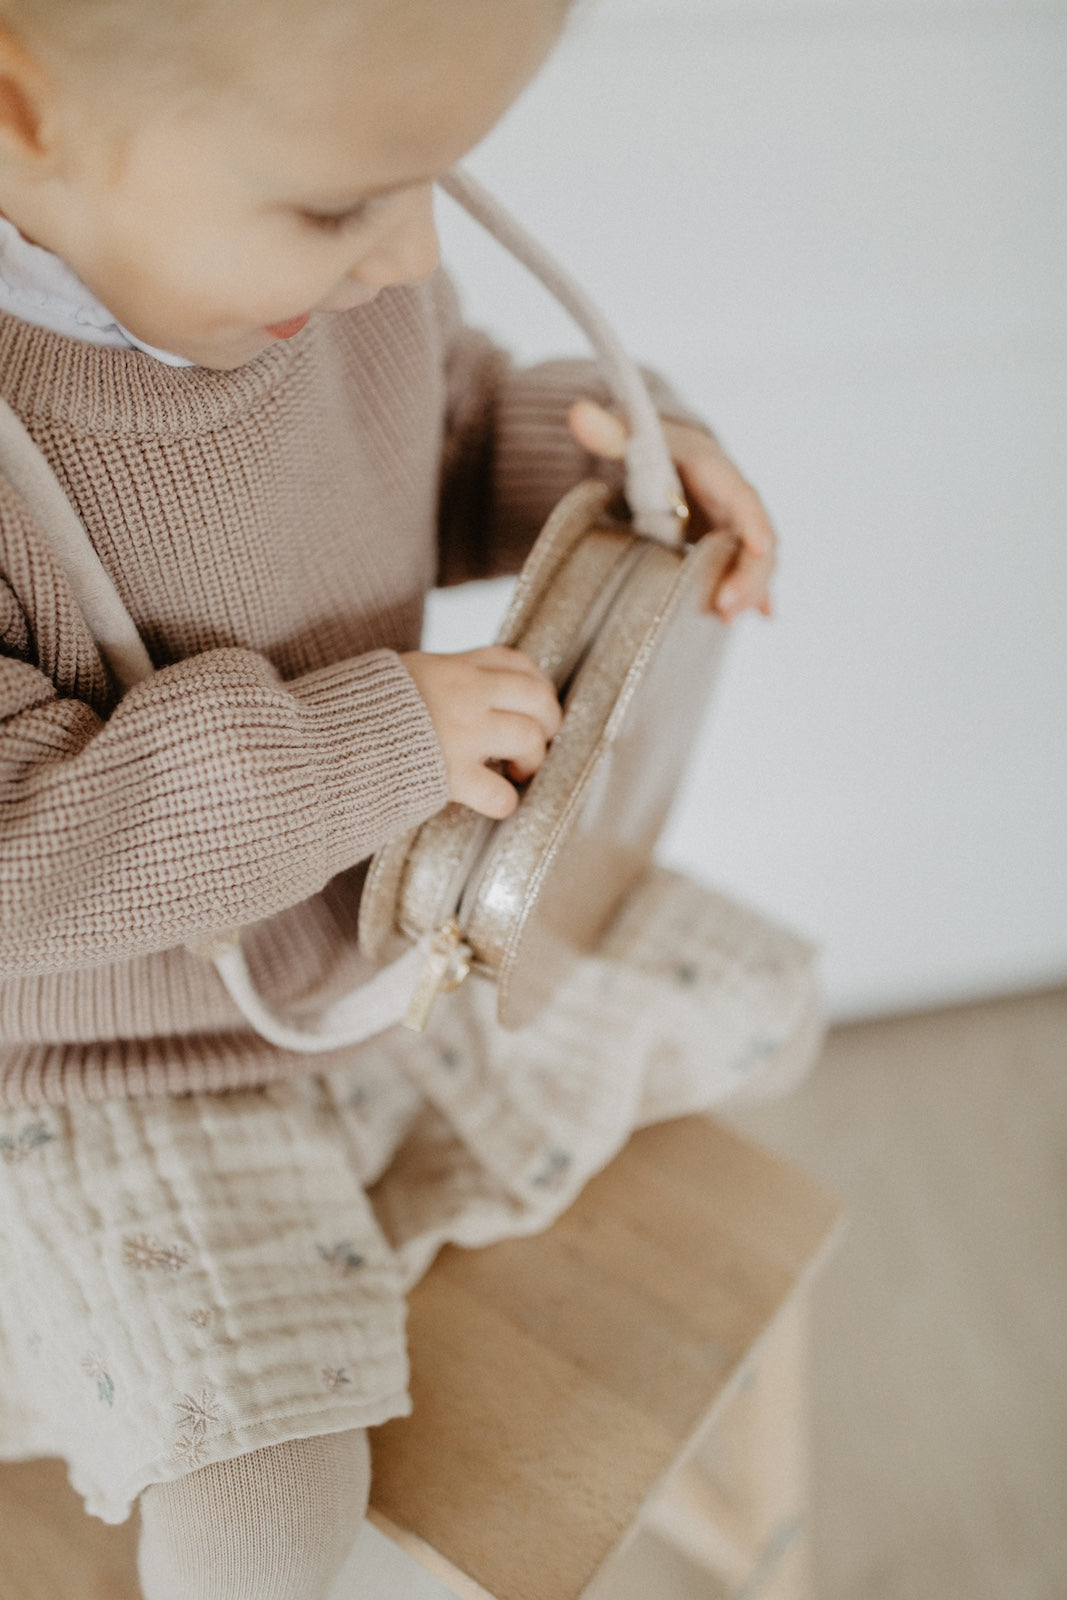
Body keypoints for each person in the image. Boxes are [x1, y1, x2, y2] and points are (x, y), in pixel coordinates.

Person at [0, 1, 811, 1596]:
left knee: (769, 1008)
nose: (405, 252)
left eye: (440, 179)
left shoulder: (324, 284)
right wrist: (362, 749)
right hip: (97, 1058)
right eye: (338, 205)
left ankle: (371, 1201)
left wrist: (611, 464)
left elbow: (432, 420)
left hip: (365, 942)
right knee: (268, 1511)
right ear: (20, 112)